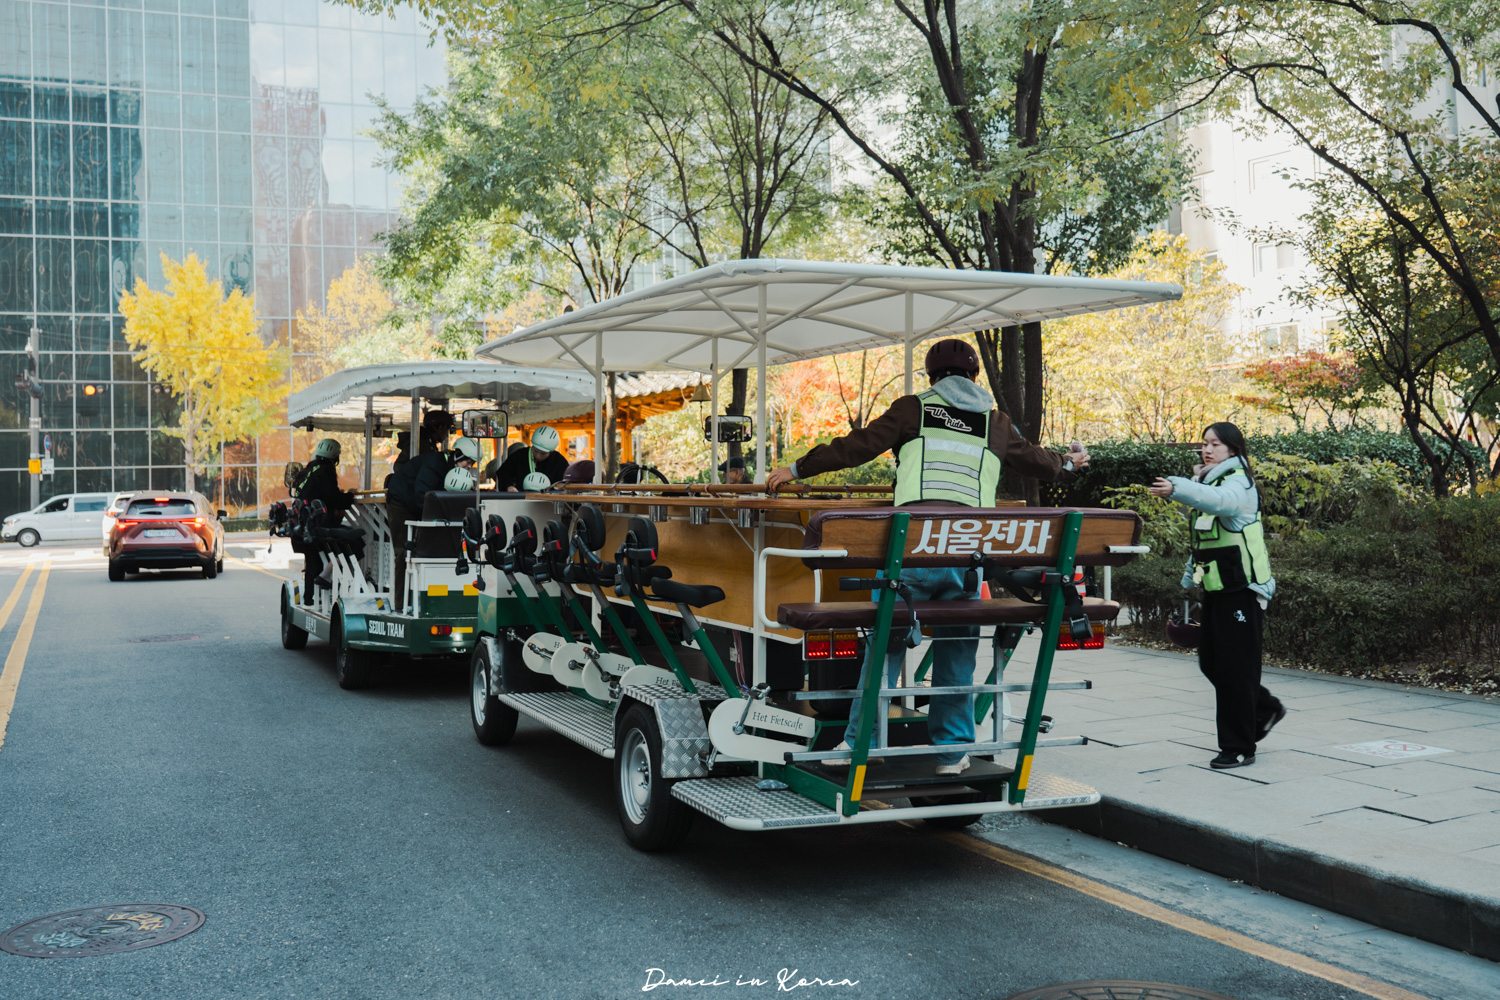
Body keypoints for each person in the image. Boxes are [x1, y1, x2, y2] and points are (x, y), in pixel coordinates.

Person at [766, 339, 1090, 776]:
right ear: (974, 377)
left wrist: (797, 469)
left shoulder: (913, 409)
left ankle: (861, 742)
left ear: (932, 377)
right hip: (968, 555)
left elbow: (857, 447)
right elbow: (1040, 462)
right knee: (958, 648)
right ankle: (952, 753)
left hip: (913, 554)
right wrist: (1069, 465)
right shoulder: (995, 423)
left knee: (887, 646)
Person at [1149, 422, 1286, 769]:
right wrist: (1186, 579)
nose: (1207, 450)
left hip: (1243, 590)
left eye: (1216, 444)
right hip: (1218, 588)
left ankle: (1240, 747)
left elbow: (1221, 504)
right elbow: (1205, 541)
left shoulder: (1238, 483)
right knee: (1210, 662)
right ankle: (1264, 708)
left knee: (1235, 671)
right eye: (1205, 444)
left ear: (1233, 449)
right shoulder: (1208, 482)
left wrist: (1178, 487)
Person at [387, 435, 480, 608]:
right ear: (458, 455)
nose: (470, 466)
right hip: (400, 503)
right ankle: (401, 603)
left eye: (472, 463)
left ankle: (422, 598)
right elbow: (423, 496)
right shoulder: (434, 464)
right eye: (468, 461)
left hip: (415, 503)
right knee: (403, 553)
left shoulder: (450, 468)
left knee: (421, 550)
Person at [291, 438, 356, 598]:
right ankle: (328, 574)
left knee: (313, 562)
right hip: (317, 526)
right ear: (335, 458)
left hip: (305, 526)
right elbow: (333, 498)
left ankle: (311, 597)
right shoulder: (324, 472)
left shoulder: (308, 471)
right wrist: (350, 496)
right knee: (355, 540)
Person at [493, 426, 568, 492]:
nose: (538, 456)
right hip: (521, 502)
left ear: (551, 451)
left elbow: (566, 484)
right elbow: (503, 473)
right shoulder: (520, 455)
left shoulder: (560, 462)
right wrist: (508, 486)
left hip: (550, 503)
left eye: (543, 453)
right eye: (535, 451)